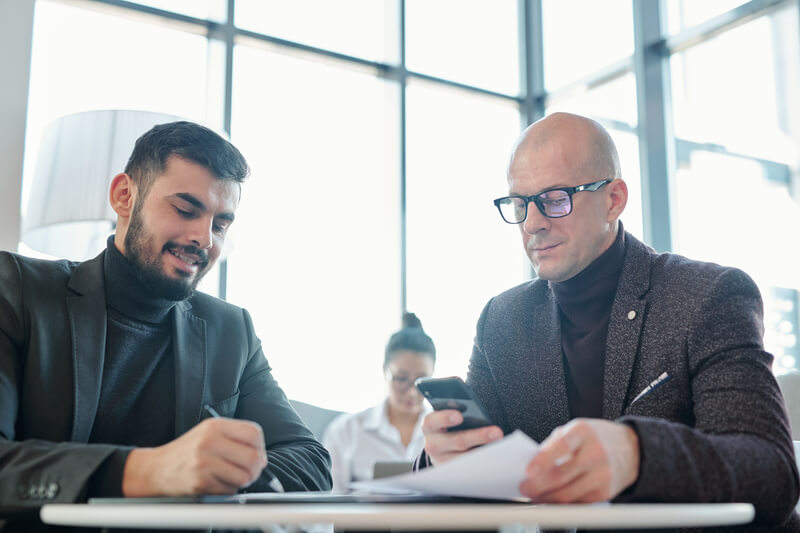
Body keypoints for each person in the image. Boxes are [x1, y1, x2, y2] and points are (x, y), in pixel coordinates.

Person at [418, 112, 799, 530]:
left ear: (614, 199)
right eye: (520, 203)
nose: (532, 223)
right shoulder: (503, 321)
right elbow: (476, 469)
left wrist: (638, 454)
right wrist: (442, 457)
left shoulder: (706, 295)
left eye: (555, 199)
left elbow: (771, 472)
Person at [0, 121, 331, 518]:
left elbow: (311, 461)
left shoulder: (232, 331)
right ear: (124, 196)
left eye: (220, 224)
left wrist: (219, 473)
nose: (205, 239)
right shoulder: (17, 290)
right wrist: (149, 471)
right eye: (186, 209)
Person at [323, 312, 435, 491]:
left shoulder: (445, 432)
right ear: (385, 370)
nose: (412, 392)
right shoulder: (346, 431)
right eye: (401, 378)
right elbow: (328, 505)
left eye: (421, 381)